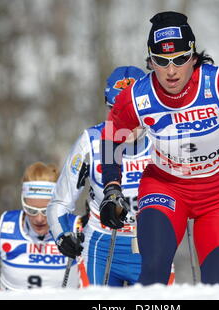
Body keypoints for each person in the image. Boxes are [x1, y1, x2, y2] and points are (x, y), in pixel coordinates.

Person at [100, 11, 219, 285]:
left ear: (193, 56)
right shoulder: (137, 96)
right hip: (165, 187)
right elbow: (111, 137)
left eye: (180, 59)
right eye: (161, 61)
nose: (171, 71)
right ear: (150, 61)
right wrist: (111, 187)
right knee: (154, 270)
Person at [47, 66, 175, 286]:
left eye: (133, 112)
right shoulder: (92, 141)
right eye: (117, 111)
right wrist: (62, 236)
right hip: (100, 246)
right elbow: (59, 202)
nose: (126, 121)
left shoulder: (166, 138)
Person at [0, 162, 88, 290]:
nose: (39, 219)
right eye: (31, 210)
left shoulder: (77, 228)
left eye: (47, 211)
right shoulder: (0, 229)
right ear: (23, 202)